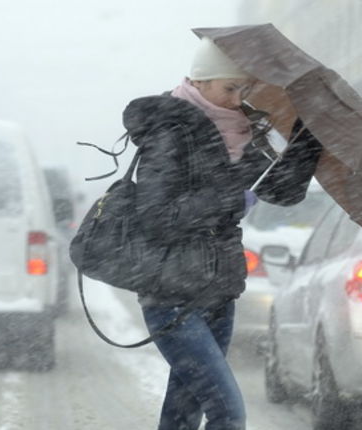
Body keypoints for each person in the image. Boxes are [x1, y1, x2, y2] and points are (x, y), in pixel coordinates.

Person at [121, 36, 322, 430]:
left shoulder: (242, 133)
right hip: (171, 297)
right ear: (200, 82)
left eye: (243, 89)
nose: (237, 98)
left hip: (217, 295)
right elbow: (156, 217)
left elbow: (283, 191)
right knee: (228, 413)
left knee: (183, 411)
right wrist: (231, 200)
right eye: (230, 88)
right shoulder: (170, 132)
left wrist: (306, 138)